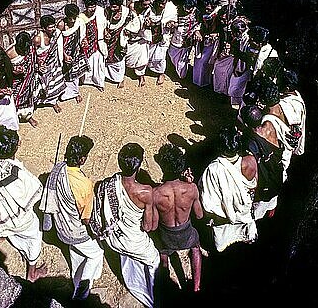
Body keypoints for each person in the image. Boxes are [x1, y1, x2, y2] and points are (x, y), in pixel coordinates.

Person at [90, 143, 160, 308]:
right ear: (139, 165)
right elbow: (148, 227)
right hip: (133, 240)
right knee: (154, 260)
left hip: (114, 240)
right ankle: (149, 294)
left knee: (127, 258)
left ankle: (133, 282)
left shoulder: (108, 184)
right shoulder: (145, 192)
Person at [0, 127, 47, 282]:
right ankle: (32, 272)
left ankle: (22, 251)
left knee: (15, 237)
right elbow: (37, 191)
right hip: (23, 221)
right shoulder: (15, 170)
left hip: (2, 221)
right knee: (34, 239)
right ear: (15, 148)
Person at [40, 135, 104, 301]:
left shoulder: (58, 169)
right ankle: (82, 292)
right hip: (75, 230)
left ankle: (76, 279)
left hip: (61, 226)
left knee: (75, 252)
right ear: (82, 159)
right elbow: (86, 219)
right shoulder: (84, 184)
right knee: (96, 253)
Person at [199, 125, 258, 253]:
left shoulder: (213, 169)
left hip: (224, 221)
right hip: (244, 216)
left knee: (224, 246)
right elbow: (254, 187)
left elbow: (209, 204)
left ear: (220, 147)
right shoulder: (250, 161)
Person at [153, 144, 203, 293]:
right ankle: (196, 286)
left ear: (162, 167)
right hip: (186, 234)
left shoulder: (155, 193)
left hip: (166, 236)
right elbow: (199, 215)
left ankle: (166, 284)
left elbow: (154, 225)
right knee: (195, 248)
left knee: (163, 253)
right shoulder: (191, 188)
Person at [240, 104, 284, 220]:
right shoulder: (270, 126)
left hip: (265, 188)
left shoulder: (250, 143)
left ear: (245, 124)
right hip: (278, 176)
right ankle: (272, 209)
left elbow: (255, 171)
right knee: (271, 203)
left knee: (255, 215)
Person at [104, 0, 140, 88]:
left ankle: (120, 78)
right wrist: (105, 32)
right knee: (107, 58)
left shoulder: (127, 13)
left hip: (119, 39)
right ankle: (109, 76)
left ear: (120, 5)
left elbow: (136, 23)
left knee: (119, 58)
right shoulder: (107, 11)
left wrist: (129, 31)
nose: (112, 8)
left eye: (115, 7)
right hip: (108, 39)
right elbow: (102, 24)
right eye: (111, 6)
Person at [33, 15, 66, 113]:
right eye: (50, 27)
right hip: (44, 67)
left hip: (54, 63)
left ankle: (53, 101)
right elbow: (32, 55)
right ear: (43, 28)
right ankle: (43, 101)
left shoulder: (56, 34)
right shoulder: (38, 39)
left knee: (54, 82)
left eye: (53, 26)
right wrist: (38, 66)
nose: (52, 29)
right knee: (44, 85)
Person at [59, 3, 90, 104]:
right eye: (70, 18)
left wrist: (84, 42)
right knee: (66, 73)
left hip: (76, 51)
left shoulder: (80, 22)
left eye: (74, 18)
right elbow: (58, 43)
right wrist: (64, 55)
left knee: (75, 73)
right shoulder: (61, 25)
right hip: (64, 53)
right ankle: (67, 93)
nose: (72, 21)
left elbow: (82, 36)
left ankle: (75, 92)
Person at [7, 31, 39, 127]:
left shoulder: (30, 47)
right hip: (17, 82)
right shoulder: (10, 53)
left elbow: (34, 59)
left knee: (28, 98)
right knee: (16, 100)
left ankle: (28, 116)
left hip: (28, 79)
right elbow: (6, 70)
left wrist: (38, 66)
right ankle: (15, 118)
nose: (25, 52)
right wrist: (14, 71)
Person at [147, 0, 178, 85]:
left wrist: (171, 23)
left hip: (164, 35)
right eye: (159, 2)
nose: (160, 5)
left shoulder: (171, 8)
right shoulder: (153, 6)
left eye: (163, 3)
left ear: (167, 1)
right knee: (150, 53)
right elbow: (148, 16)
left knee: (161, 56)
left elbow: (175, 22)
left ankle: (161, 73)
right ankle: (150, 69)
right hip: (153, 34)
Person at [168, 0, 202, 81]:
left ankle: (182, 76)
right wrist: (173, 24)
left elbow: (198, 24)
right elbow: (170, 20)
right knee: (172, 54)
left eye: (189, 8)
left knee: (183, 60)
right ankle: (175, 69)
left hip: (187, 40)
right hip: (176, 38)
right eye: (186, 7)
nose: (187, 10)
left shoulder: (197, 13)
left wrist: (196, 31)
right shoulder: (177, 10)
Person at [79, 0, 108, 92]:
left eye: (94, 6)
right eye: (90, 7)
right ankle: (87, 81)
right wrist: (83, 40)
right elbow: (80, 32)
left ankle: (99, 82)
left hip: (98, 43)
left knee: (99, 64)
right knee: (89, 63)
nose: (92, 9)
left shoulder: (100, 12)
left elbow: (104, 24)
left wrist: (105, 31)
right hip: (88, 45)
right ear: (86, 7)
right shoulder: (81, 17)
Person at [193, 0, 222, 87]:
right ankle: (197, 81)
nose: (207, 9)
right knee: (198, 60)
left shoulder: (220, 14)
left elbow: (223, 29)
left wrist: (217, 34)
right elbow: (198, 23)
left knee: (205, 61)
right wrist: (197, 31)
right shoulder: (202, 12)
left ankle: (205, 82)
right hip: (202, 40)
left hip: (214, 42)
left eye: (210, 7)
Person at [276, 68, 306, 157]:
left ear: (287, 88)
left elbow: (293, 131)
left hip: (284, 150)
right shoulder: (293, 94)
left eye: (279, 82)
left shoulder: (292, 106)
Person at [126, 0, 153, 87]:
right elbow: (128, 18)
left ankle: (141, 76)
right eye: (144, 4)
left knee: (143, 58)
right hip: (131, 35)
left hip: (142, 35)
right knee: (130, 56)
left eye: (148, 4)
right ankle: (129, 71)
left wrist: (148, 23)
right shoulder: (132, 6)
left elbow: (150, 21)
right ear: (140, 1)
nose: (146, 6)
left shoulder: (149, 9)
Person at [212, 5, 238, 95]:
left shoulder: (237, 27)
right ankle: (218, 89)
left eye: (225, 19)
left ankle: (225, 92)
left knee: (226, 73)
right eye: (222, 18)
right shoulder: (222, 24)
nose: (223, 21)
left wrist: (231, 47)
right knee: (217, 68)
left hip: (232, 55)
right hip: (223, 51)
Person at [227, 17, 251, 109]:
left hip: (244, 69)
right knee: (233, 87)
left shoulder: (247, 39)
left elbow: (247, 58)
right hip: (239, 67)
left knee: (237, 89)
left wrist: (241, 70)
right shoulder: (241, 38)